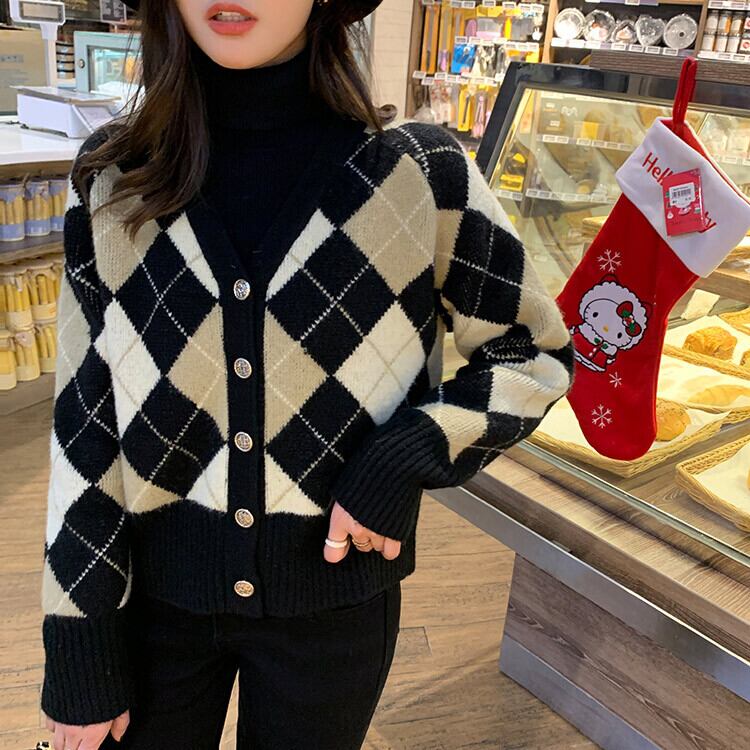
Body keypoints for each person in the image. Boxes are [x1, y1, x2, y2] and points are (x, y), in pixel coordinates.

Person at [39, 1, 574, 748]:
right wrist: (79, 638)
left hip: (336, 605)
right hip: (148, 605)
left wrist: (406, 455)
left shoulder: (421, 174)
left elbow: (532, 352)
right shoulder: (113, 179)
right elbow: (83, 423)